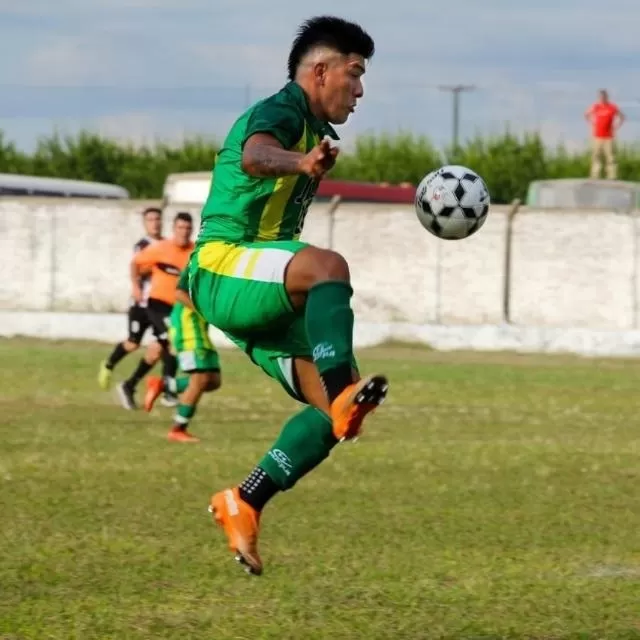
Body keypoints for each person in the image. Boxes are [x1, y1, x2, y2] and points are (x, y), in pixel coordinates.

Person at [187, 15, 388, 575]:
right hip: (223, 265)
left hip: (254, 288)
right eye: (355, 73)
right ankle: (341, 388)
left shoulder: (312, 127)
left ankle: (245, 500)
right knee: (329, 266)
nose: (361, 88)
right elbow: (255, 154)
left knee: (336, 416)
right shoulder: (281, 110)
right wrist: (300, 162)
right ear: (319, 71)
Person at [116, 212, 195, 410]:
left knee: (157, 350)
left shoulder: (194, 251)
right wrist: (135, 286)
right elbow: (136, 263)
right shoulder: (161, 248)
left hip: (179, 308)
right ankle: (169, 391)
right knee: (172, 340)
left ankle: (129, 384)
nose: (183, 232)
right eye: (180, 228)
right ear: (174, 229)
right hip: (157, 304)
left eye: (187, 228)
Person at [142, 269, 222, 443]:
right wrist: (205, 312)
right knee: (200, 380)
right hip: (189, 331)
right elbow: (179, 293)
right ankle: (178, 429)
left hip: (200, 330)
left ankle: (164, 384)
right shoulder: (199, 265)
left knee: (213, 381)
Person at [98, 207, 163, 389]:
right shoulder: (142, 245)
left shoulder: (167, 245)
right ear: (145, 223)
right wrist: (157, 265)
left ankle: (132, 384)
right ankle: (108, 364)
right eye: (151, 219)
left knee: (159, 347)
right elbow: (138, 268)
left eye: (157, 219)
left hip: (161, 304)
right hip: (141, 303)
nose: (155, 223)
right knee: (133, 344)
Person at [585, 89, 625, 180]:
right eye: (600, 97)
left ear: (607, 97)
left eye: (603, 96)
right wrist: (592, 123)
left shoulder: (612, 107)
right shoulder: (596, 107)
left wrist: (616, 126)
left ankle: (612, 176)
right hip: (597, 136)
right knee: (596, 156)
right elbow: (586, 114)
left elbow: (622, 117)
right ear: (599, 98)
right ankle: (595, 175)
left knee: (610, 157)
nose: (602, 98)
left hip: (608, 136)